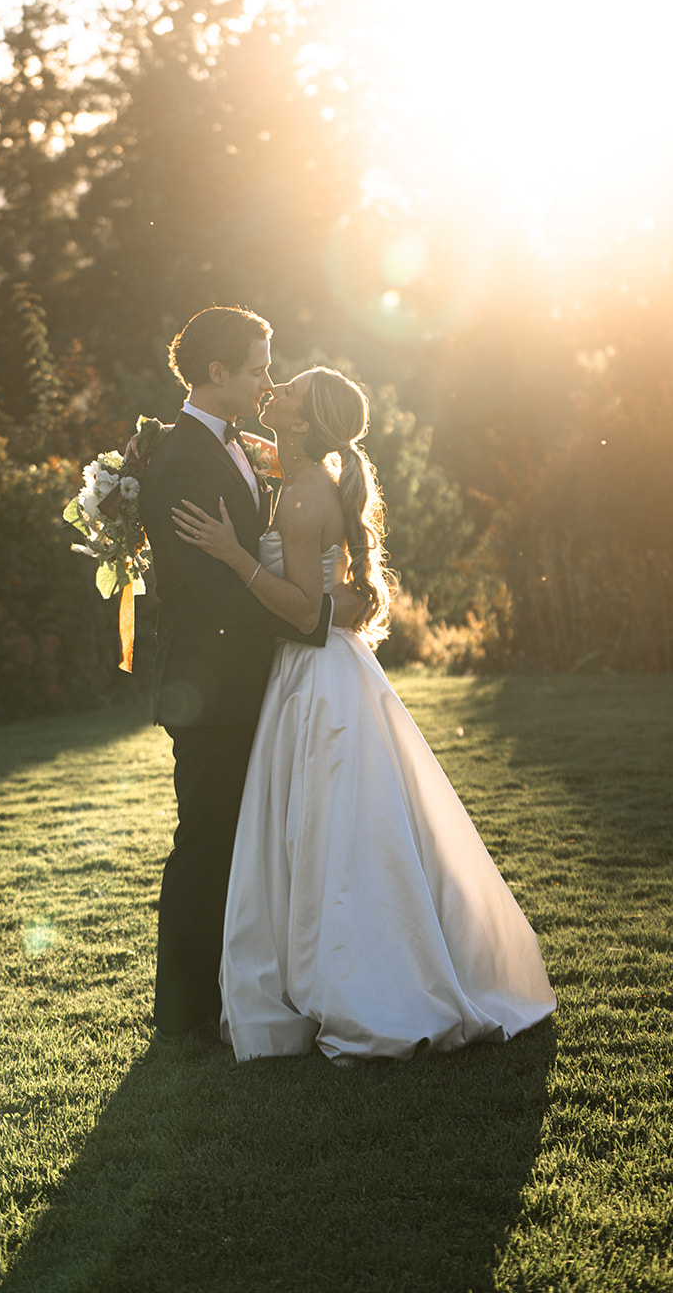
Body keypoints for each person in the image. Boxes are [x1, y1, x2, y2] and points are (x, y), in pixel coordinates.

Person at [173, 365, 557, 1062]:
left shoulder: (301, 496)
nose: (272, 391)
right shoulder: (309, 477)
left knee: (328, 831)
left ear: (300, 420)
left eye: (285, 391)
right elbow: (334, 595)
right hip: (332, 673)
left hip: (314, 677)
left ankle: (359, 984)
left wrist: (231, 554)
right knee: (345, 827)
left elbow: (303, 610)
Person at [138, 307, 350, 1044]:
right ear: (216, 373)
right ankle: (182, 1017)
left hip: (252, 678)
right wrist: (307, 617)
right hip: (211, 688)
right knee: (206, 843)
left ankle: (241, 992)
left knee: (248, 843)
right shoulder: (182, 461)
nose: (267, 380)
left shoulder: (231, 447)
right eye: (258, 367)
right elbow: (207, 588)